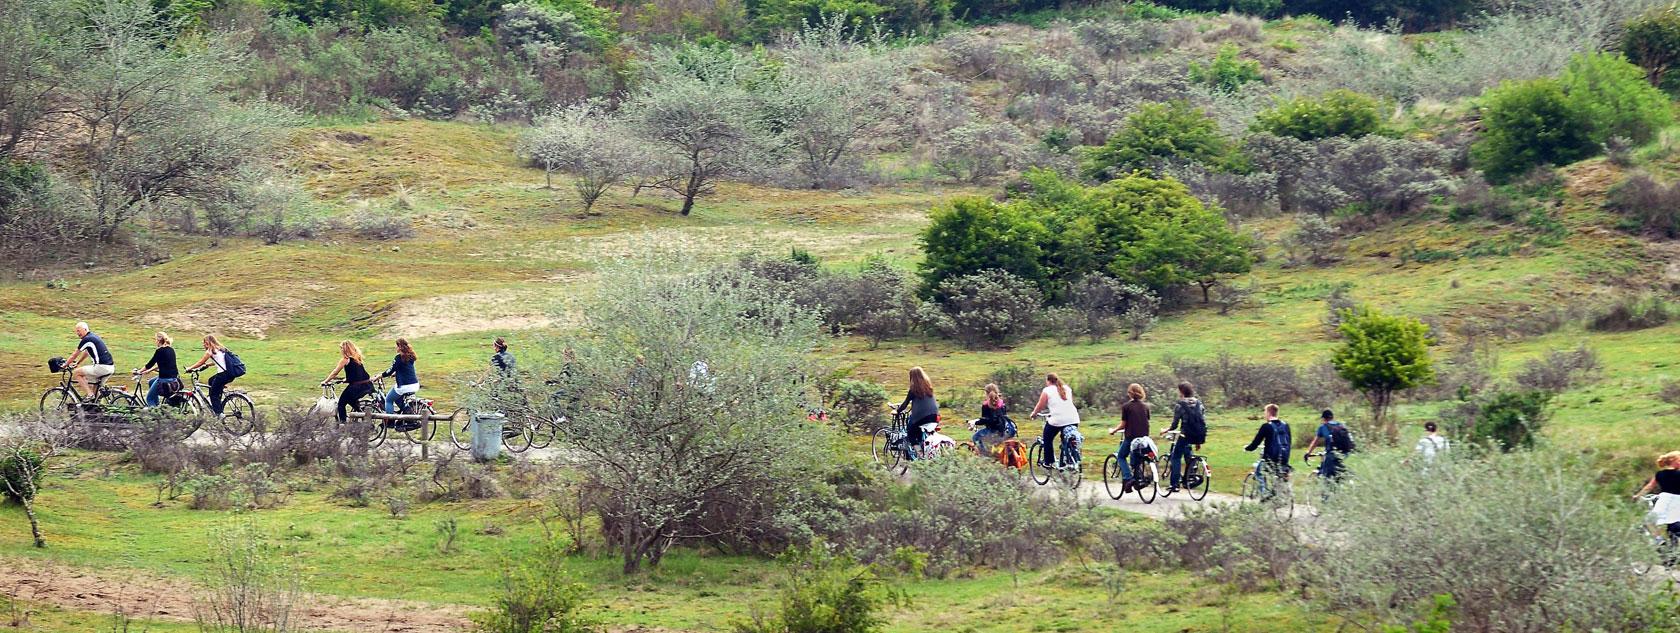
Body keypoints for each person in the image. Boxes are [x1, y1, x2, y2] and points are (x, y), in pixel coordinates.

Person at [183, 334, 246, 415]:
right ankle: (217, 401)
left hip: (223, 375)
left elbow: (201, 362)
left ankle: (219, 414)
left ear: (209, 343)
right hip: (230, 374)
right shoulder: (220, 349)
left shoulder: (209, 351)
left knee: (213, 394)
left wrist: (190, 368)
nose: (203, 344)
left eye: (205, 343)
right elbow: (219, 361)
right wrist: (208, 365)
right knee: (211, 380)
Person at [1029, 373, 1080, 468]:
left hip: (1058, 420)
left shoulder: (1047, 390)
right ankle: (1067, 460)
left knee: (1047, 438)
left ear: (1048, 381)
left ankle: (1049, 462)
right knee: (1066, 439)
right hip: (1074, 419)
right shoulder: (1067, 388)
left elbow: (1040, 405)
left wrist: (1034, 414)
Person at [1164, 382, 1206, 495]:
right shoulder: (1199, 403)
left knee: (1176, 457)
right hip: (1198, 434)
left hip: (1185, 434)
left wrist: (1166, 430)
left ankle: (1174, 484)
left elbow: (1174, 425)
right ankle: (1190, 477)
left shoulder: (1180, 405)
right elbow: (1202, 421)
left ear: (1181, 392)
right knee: (1188, 455)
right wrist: (1198, 441)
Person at [1635, 451, 1680, 554]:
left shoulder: (1660, 474)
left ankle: (1659, 541)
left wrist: (1637, 496)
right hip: (1677, 502)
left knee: (1649, 521)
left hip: (1665, 501)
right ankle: (1672, 555)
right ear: (1673, 461)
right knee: (1673, 525)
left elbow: (1649, 487)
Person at [1107, 384, 1151, 488]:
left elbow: (1123, 424)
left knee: (1121, 456)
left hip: (1131, 437)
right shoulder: (1146, 406)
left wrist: (1113, 430)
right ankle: (1138, 477)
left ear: (1130, 393)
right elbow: (1145, 421)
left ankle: (1128, 477)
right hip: (1144, 437)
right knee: (1136, 457)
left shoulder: (1126, 407)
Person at [1243, 404, 1292, 498]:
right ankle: (1280, 494)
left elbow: (1255, 443)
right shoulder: (1286, 425)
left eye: (1265, 412)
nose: (1264, 415)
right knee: (1279, 474)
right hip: (1284, 458)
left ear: (1268, 413)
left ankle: (1264, 493)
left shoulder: (1266, 426)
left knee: (1258, 472)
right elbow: (1289, 442)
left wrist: (1247, 448)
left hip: (1270, 458)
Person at [322, 341, 373, 423]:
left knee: (341, 404)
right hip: (366, 385)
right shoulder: (357, 358)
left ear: (345, 349)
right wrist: (346, 379)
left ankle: (343, 424)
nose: (340, 350)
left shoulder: (345, 359)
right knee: (350, 400)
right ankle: (364, 418)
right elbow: (356, 373)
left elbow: (335, 372)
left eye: (341, 348)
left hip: (356, 387)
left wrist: (325, 381)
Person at [896, 367, 939, 460]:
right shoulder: (929, 388)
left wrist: (897, 411)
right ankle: (923, 448)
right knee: (919, 432)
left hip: (921, 417)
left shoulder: (913, 390)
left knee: (910, 433)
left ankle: (920, 455)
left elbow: (904, 404)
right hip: (934, 416)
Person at [65, 322, 115, 398]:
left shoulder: (86, 339)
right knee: (95, 389)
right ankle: (95, 406)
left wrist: (65, 365)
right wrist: (78, 363)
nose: (77, 333)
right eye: (76, 331)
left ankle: (89, 394)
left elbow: (74, 355)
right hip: (110, 367)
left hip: (101, 367)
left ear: (85, 329)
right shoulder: (92, 337)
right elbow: (87, 352)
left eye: (79, 331)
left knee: (77, 373)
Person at [132, 332, 179, 407]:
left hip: (164, 379)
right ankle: (157, 405)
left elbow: (150, 364)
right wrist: (149, 371)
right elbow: (163, 364)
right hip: (174, 378)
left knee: (149, 398)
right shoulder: (171, 349)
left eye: (155, 339)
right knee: (151, 382)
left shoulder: (159, 351)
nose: (155, 341)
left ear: (159, 340)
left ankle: (155, 414)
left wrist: (139, 371)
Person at [379, 338, 421, 422]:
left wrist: (380, 376)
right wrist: (397, 373)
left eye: (396, 346)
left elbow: (390, 370)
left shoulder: (398, 358)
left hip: (404, 386)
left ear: (400, 347)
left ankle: (390, 421)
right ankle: (406, 410)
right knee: (397, 397)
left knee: (389, 399)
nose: (396, 348)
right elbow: (406, 368)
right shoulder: (411, 356)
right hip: (415, 384)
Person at [1303, 409, 1349, 480]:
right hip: (1344, 454)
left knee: (1325, 477)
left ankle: (1325, 488)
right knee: (1339, 473)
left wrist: (1308, 453)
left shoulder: (1323, 427)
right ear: (1332, 417)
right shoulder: (1341, 425)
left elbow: (1315, 442)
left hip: (1331, 455)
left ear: (1323, 418)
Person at [969, 383, 1011, 455]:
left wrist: (975, 422)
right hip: (1003, 430)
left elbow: (985, 420)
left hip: (992, 431)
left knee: (975, 437)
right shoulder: (1002, 403)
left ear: (986, 393)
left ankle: (984, 456)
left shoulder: (986, 405)